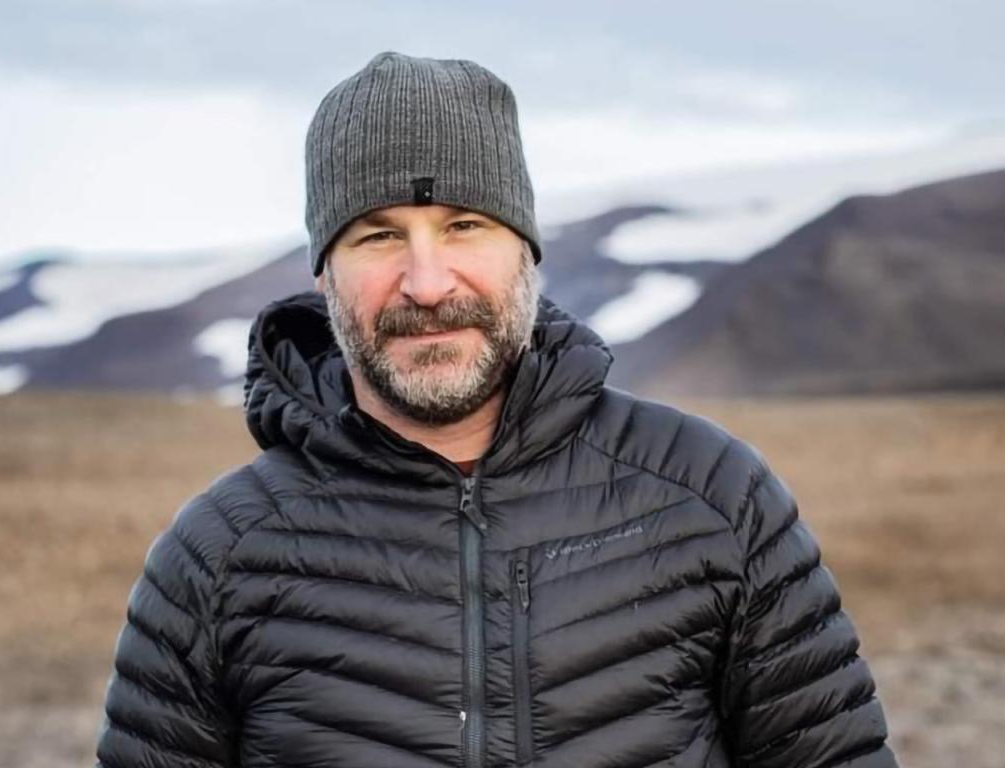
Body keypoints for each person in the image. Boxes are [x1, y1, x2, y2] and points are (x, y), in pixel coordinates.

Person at [94, 51, 898, 768]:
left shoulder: (714, 497)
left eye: (465, 226)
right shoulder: (219, 556)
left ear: (527, 252)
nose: (428, 282)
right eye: (377, 237)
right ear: (323, 277)